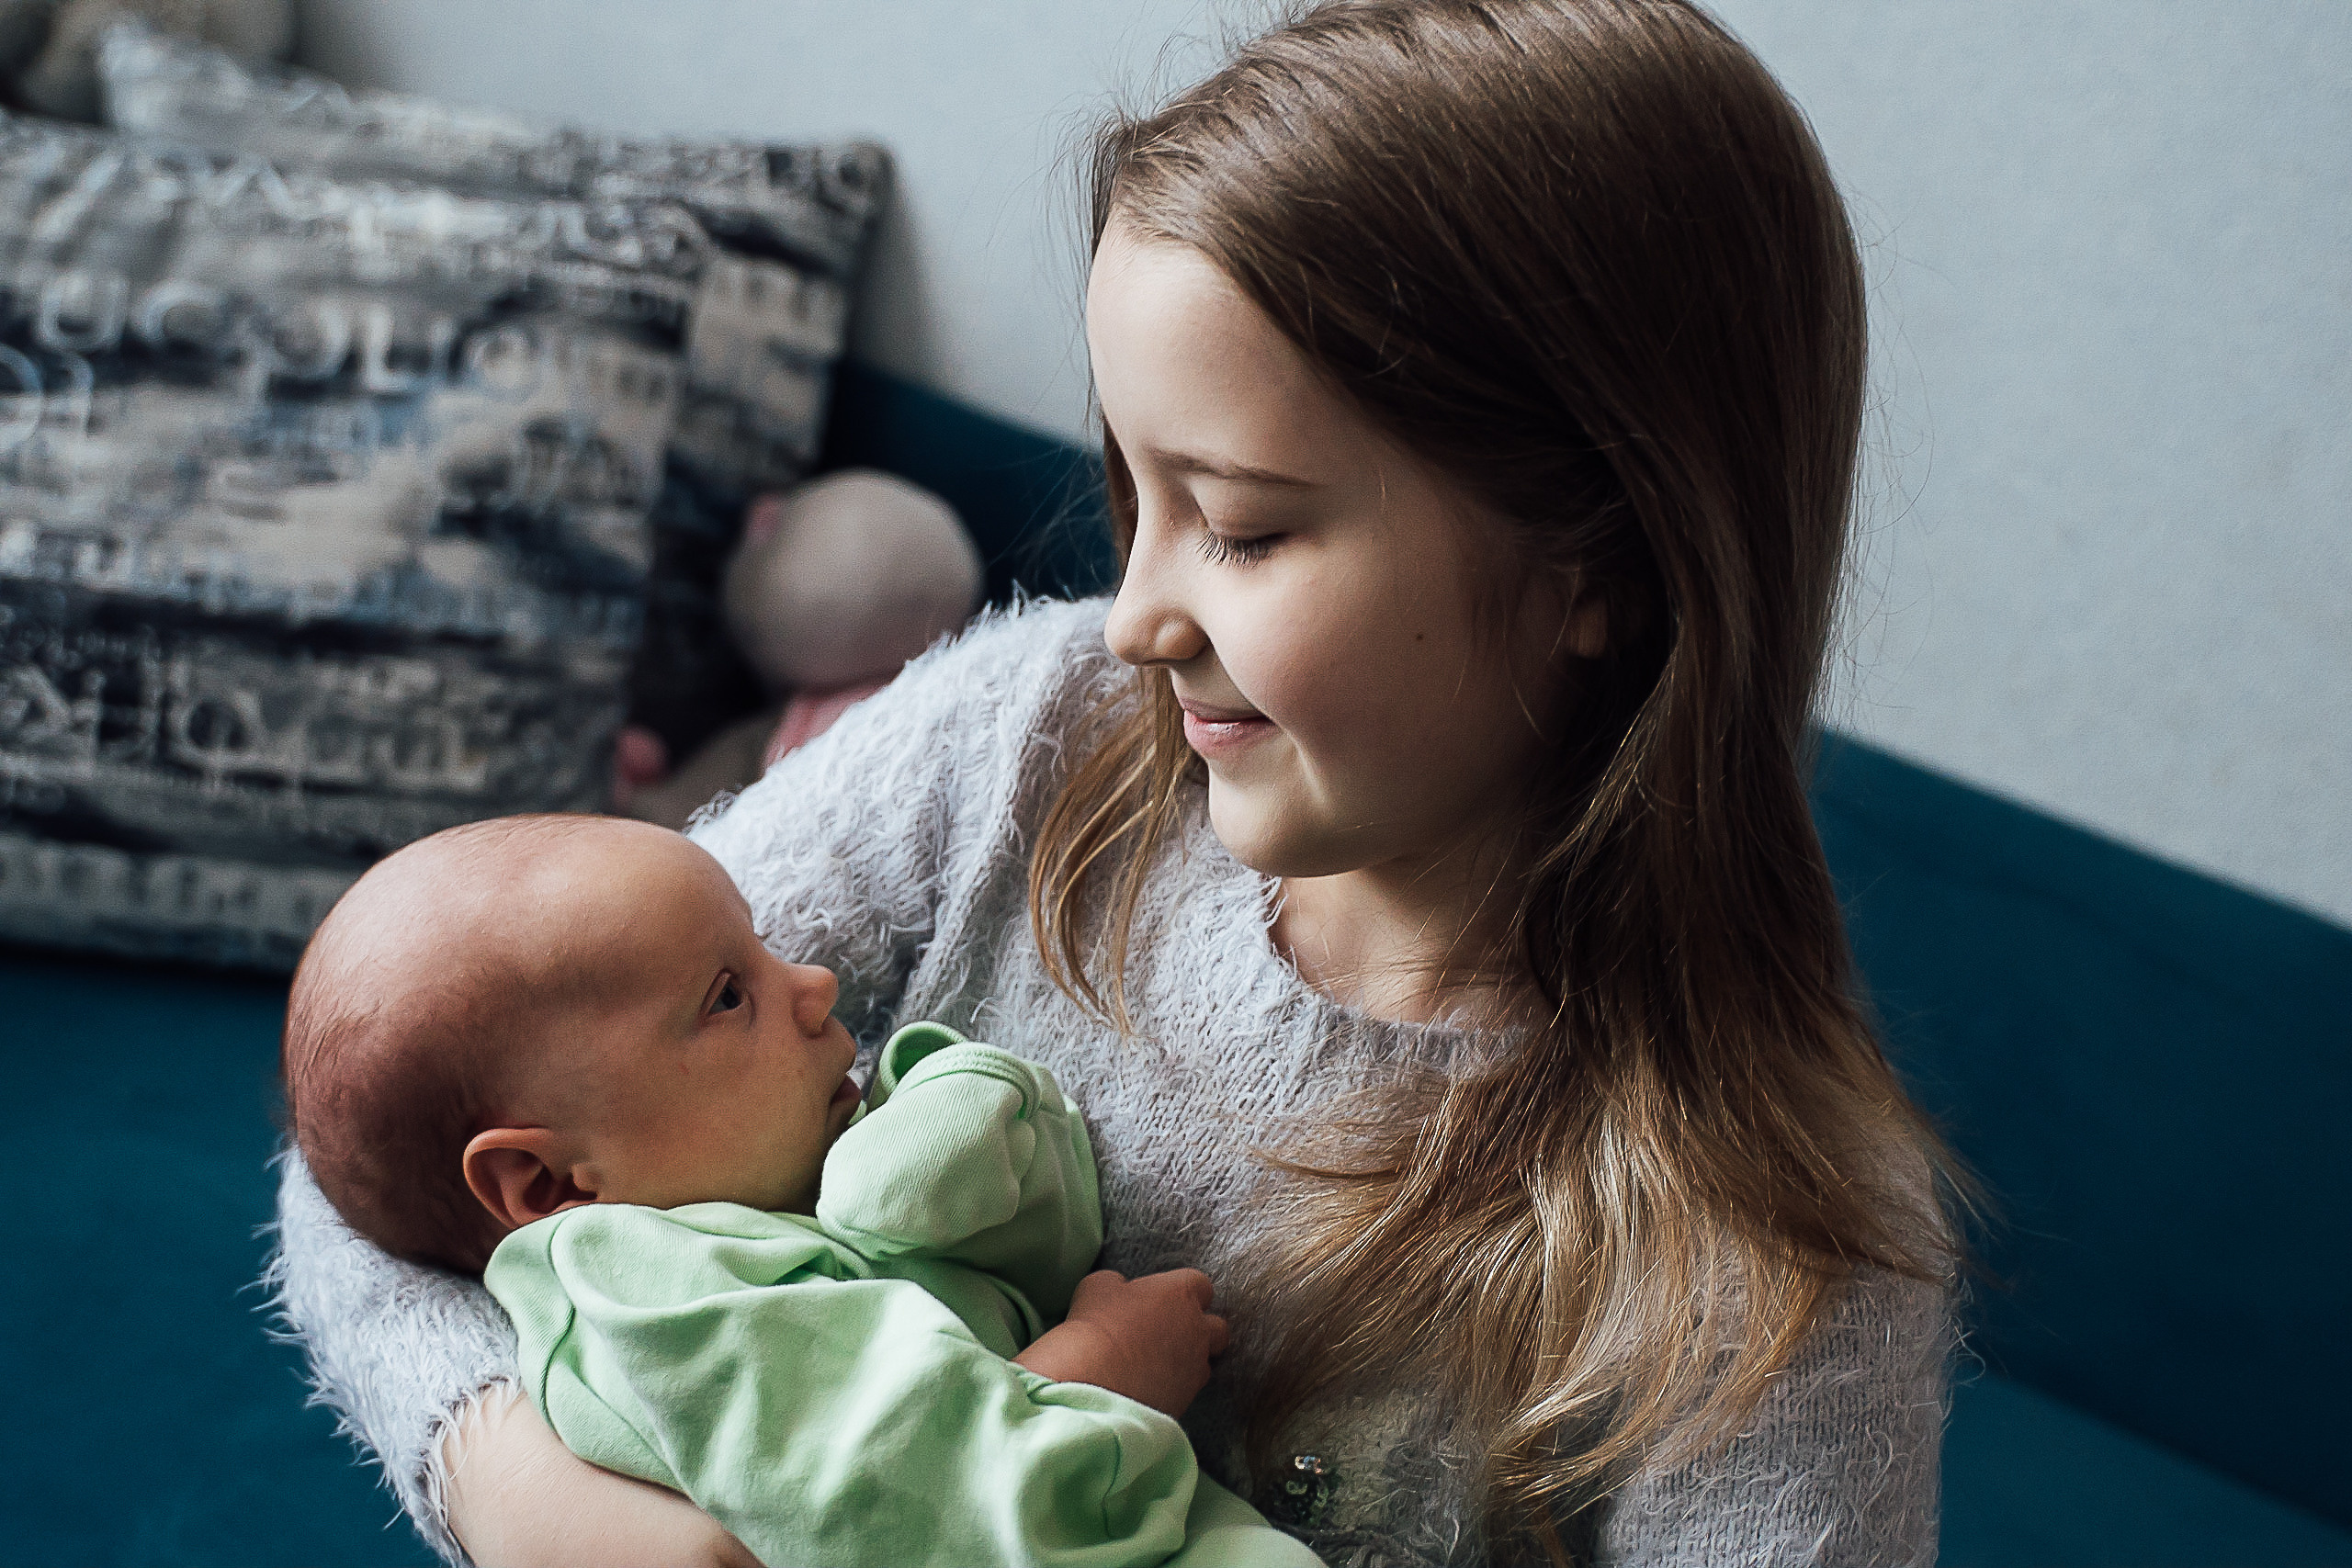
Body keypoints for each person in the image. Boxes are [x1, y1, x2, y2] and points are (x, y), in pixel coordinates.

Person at [270, 2, 1959, 1563]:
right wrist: (539, 1499)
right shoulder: (1031, 733)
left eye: (1246, 525)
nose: (1137, 614)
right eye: (1132, 489)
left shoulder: (1775, 1261)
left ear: (1604, 564)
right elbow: (430, 1096)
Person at [277, 814, 1315, 1568]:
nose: (815, 984)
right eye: (729, 995)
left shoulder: (745, 1215)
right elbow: (907, 1508)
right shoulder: (652, 1298)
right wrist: (1103, 1369)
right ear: (549, 1182)